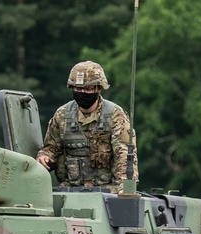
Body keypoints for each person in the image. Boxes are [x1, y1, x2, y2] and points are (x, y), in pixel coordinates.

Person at [36, 61, 137, 193]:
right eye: (78, 89)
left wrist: (125, 187)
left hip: (107, 191)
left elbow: (124, 154)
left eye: (88, 89)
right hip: (70, 190)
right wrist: (44, 157)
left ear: (99, 89)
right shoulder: (62, 115)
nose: (82, 92)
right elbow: (52, 147)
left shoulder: (115, 115)